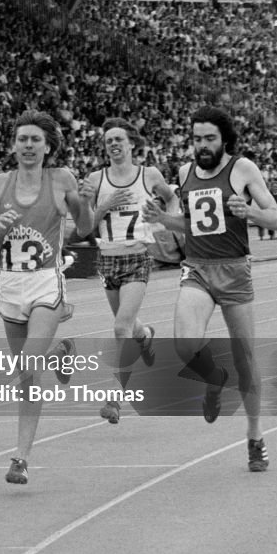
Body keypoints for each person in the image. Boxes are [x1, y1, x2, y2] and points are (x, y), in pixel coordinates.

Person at [143, 106, 277, 472]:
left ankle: (255, 436)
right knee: (185, 344)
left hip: (235, 271)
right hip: (198, 270)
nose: (202, 145)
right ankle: (214, 378)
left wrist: (249, 212)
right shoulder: (185, 172)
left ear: (225, 140)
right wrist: (162, 220)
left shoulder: (243, 169)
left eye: (209, 139)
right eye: (196, 139)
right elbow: (190, 225)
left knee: (246, 361)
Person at [0, 110, 93, 486]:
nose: (29, 146)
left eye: (36, 139)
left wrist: (82, 203)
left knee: (27, 363)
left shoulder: (61, 178)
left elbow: (84, 228)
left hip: (44, 283)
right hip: (9, 286)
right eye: (23, 139)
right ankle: (22, 457)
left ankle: (20, 452)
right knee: (26, 377)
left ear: (48, 146)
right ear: (13, 145)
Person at [80, 119, 176, 424]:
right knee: (131, 327)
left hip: (136, 258)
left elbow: (171, 198)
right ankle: (145, 335)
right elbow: (85, 226)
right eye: (108, 141)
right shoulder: (96, 179)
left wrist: (166, 219)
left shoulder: (149, 175)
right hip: (107, 260)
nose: (114, 145)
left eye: (119, 139)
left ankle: (114, 397)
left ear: (131, 144)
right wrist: (104, 204)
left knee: (120, 328)